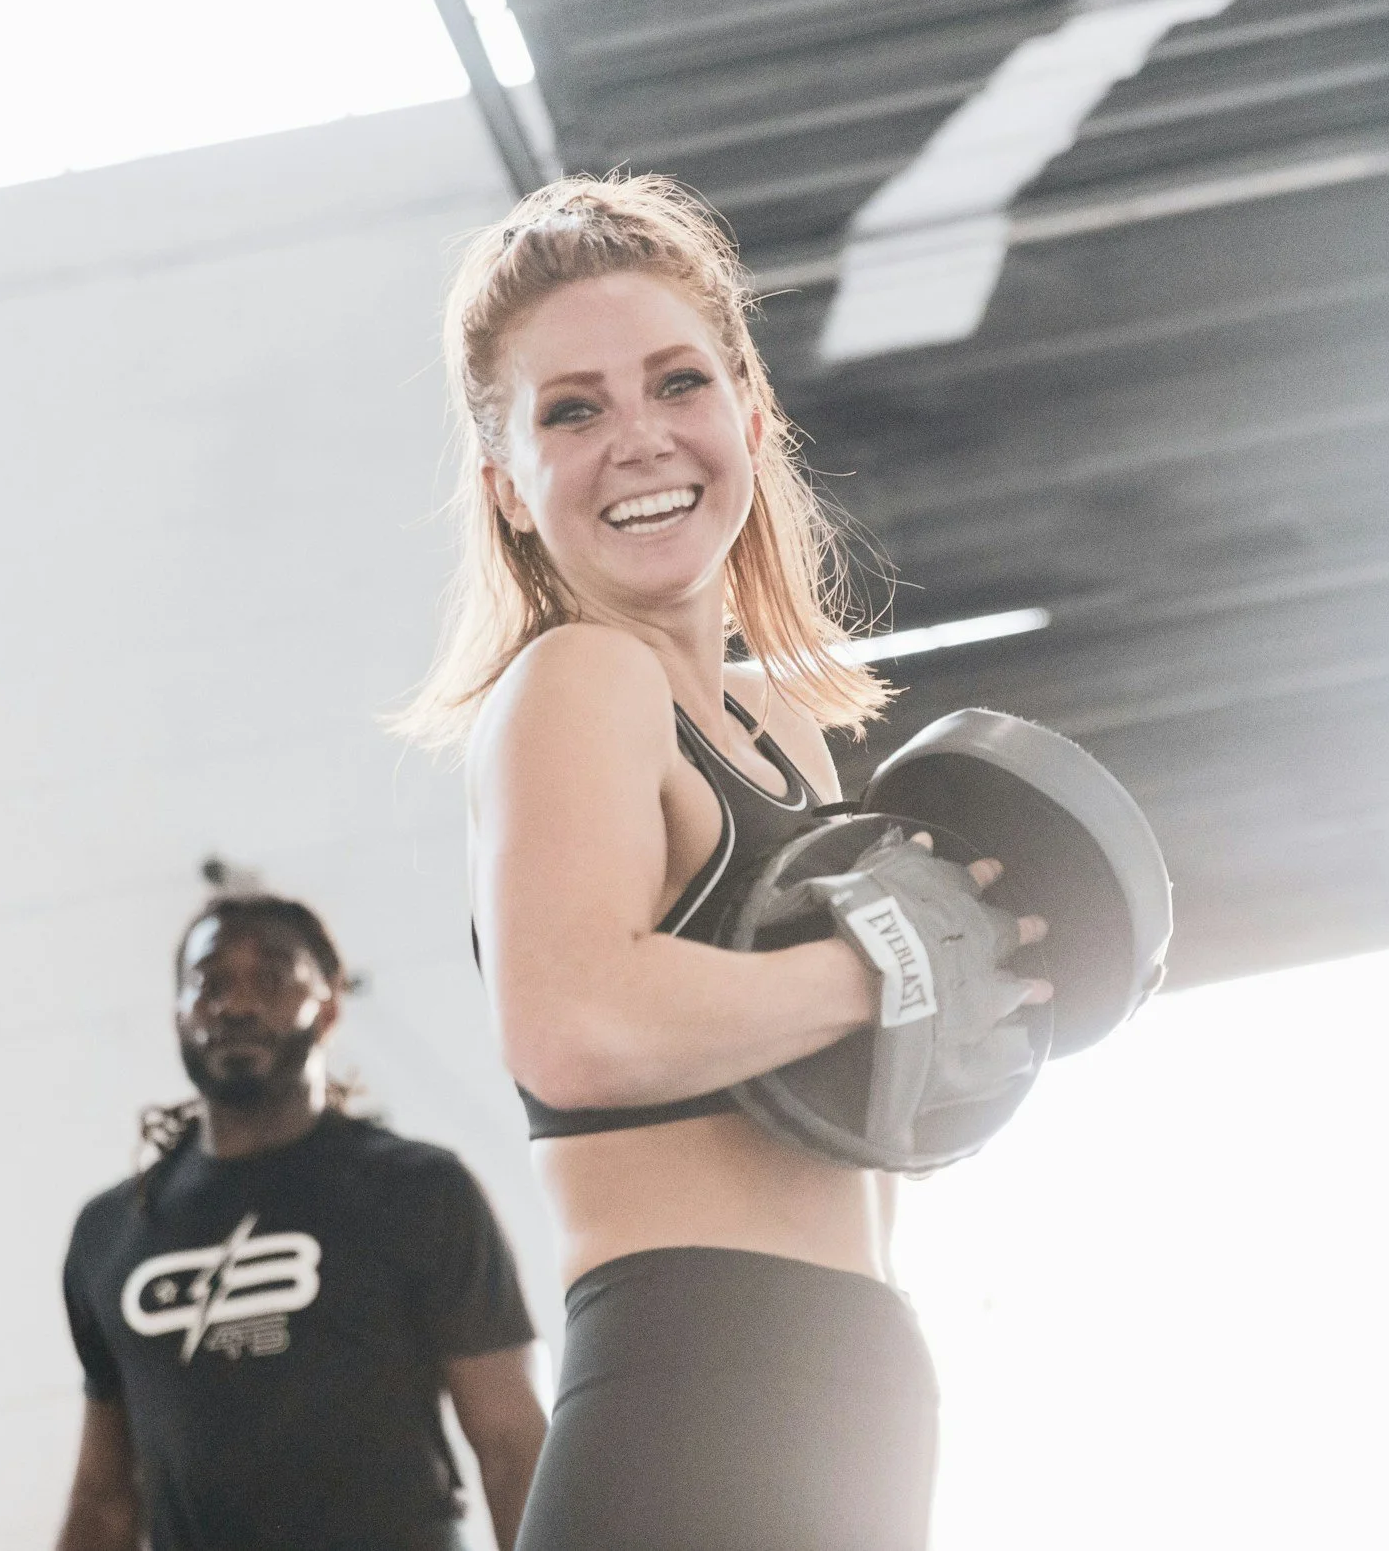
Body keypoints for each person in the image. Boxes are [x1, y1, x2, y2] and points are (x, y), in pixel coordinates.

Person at [394, 177, 1048, 1550]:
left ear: (751, 414)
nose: (638, 437)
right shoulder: (579, 676)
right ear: (508, 486)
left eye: (677, 381)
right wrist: (884, 968)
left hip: (850, 1377)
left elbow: (841, 1101)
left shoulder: (787, 732)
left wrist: (994, 1000)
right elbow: (573, 1024)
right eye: (573, 409)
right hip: (698, 1377)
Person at [56, 892, 546, 1551]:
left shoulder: (419, 1190)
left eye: (271, 978)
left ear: (330, 1005)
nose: (236, 1004)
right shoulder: (112, 1232)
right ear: (178, 1013)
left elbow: (514, 1445)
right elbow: (104, 1500)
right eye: (210, 983)